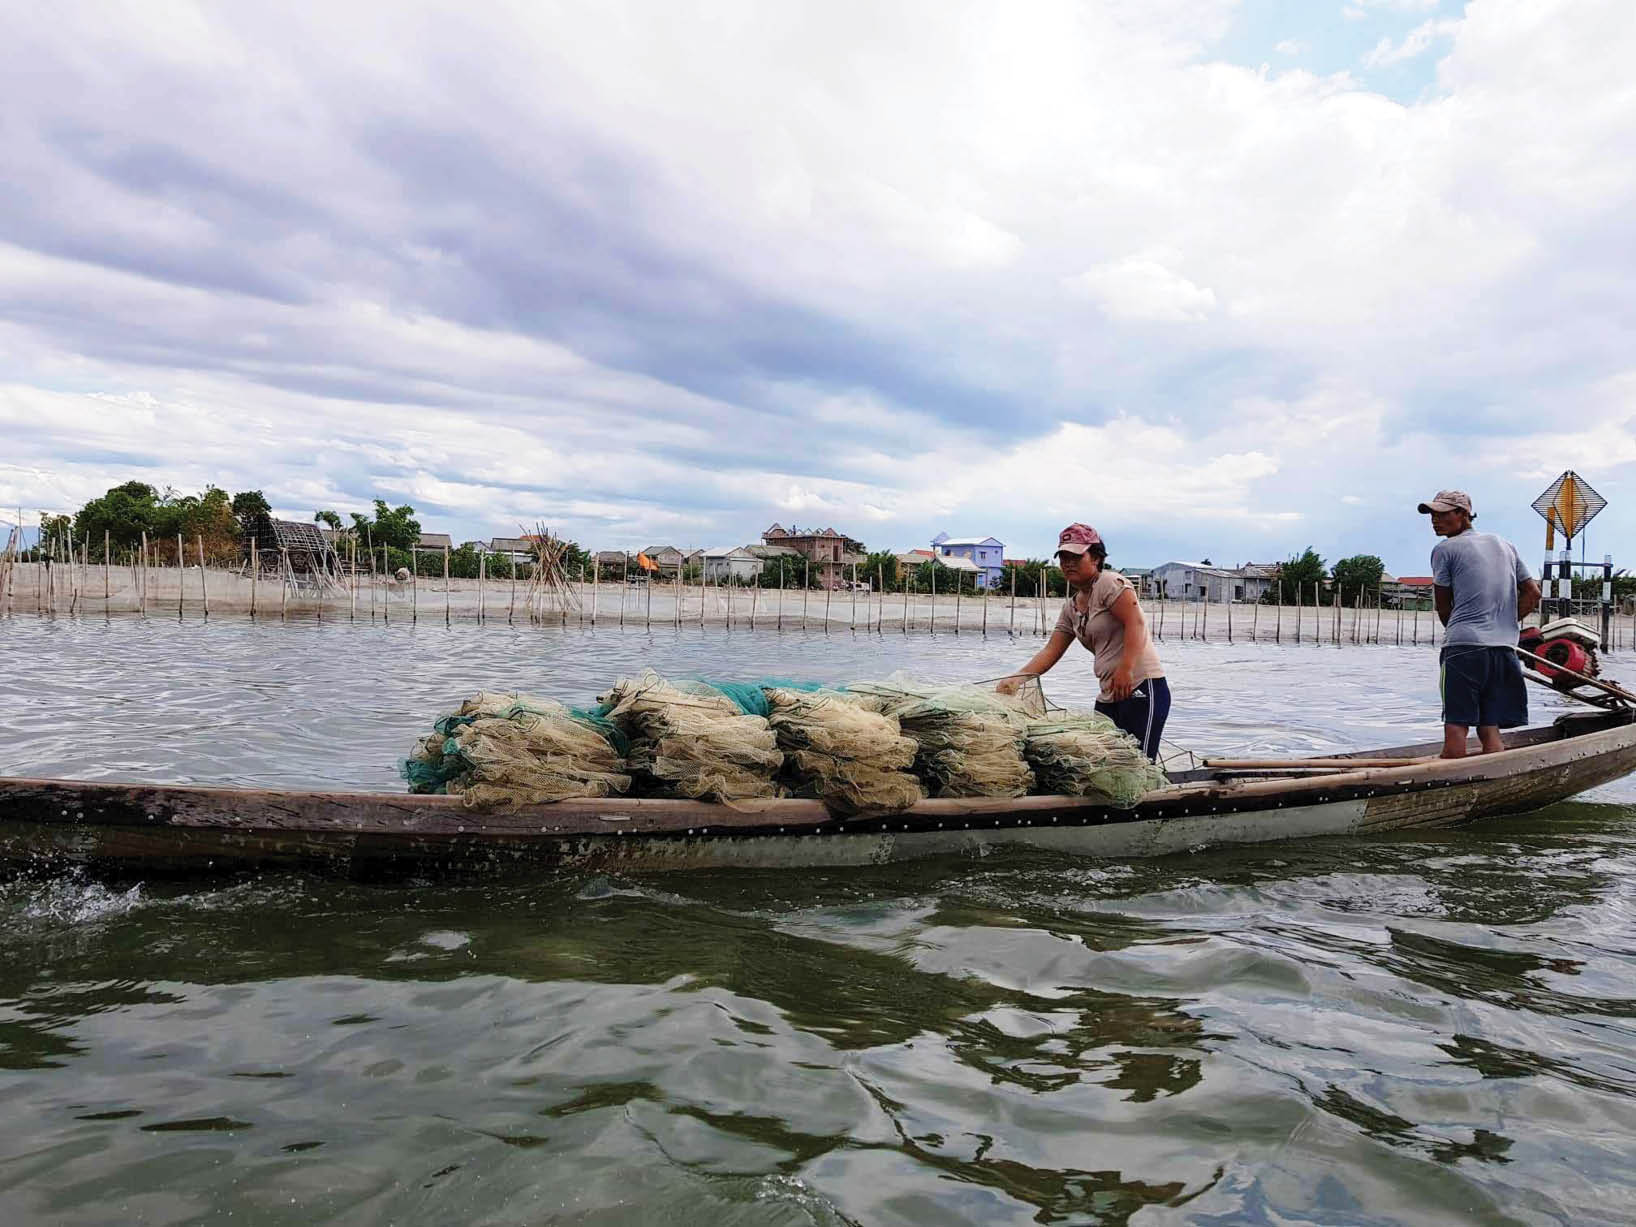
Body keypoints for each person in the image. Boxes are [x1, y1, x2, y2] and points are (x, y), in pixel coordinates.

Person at [998, 523, 1169, 759]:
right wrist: (1017, 679)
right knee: (1106, 762)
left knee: (1139, 763)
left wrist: (1126, 668)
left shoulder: (1110, 583)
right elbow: (1051, 651)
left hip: (1141, 686)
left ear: (1096, 558)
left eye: (1076, 557)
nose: (1068, 563)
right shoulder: (1071, 607)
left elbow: (1136, 623)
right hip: (1109, 692)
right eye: (1064, 558)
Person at [1419, 489, 1541, 758]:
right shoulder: (1505, 544)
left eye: (1442, 514)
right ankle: (1494, 776)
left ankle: (1450, 779)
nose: (1435, 520)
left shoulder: (1445, 549)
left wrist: (1459, 631)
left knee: (1456, 724)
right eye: (1432, 515)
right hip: (1503, 649)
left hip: (1464, 648)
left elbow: (1443, 605)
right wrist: (1504, 623)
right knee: (1489, 726)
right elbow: (1533, 593)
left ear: (1463, 514)